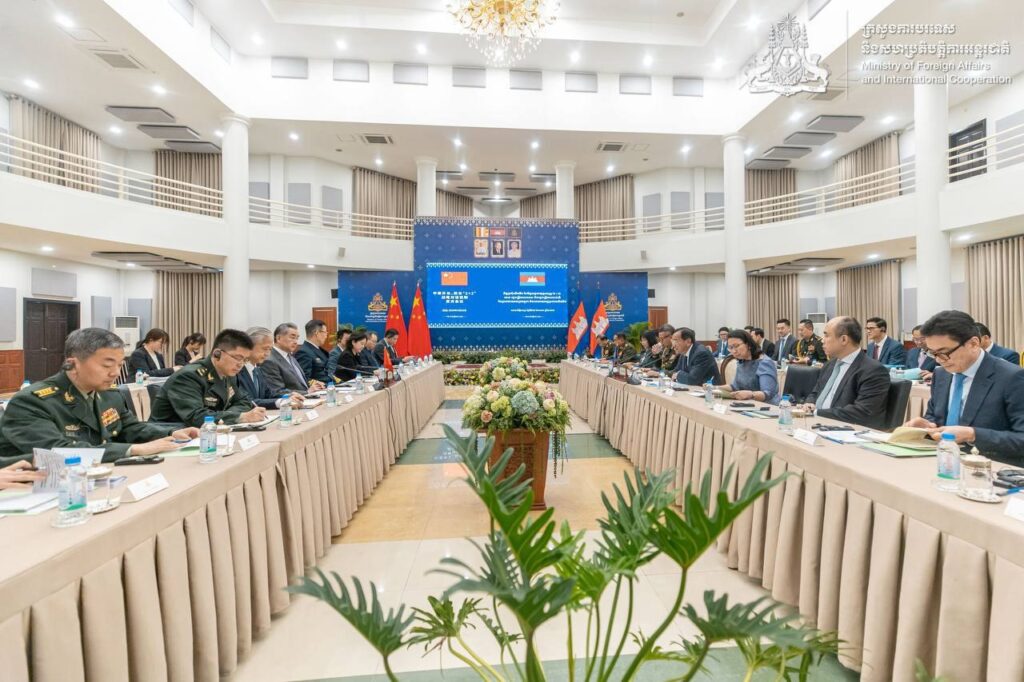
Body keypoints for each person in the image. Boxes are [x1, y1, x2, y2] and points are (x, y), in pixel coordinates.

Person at [0, 328, 197, 464]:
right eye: (107, 365)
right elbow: (58, 452)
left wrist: (170, 433)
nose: (115, 373)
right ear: (73, 364)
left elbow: (131, 428)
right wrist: (133, 450)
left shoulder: (110, 395)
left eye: (119, 365)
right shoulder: (32, 402)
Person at [905, 310, 1024, 461]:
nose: (938, 360)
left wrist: (972, 434)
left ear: (973, 344)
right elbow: (936, 418)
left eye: (944, 353)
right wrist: (927, 425)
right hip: (943, 460)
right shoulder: (941, 374)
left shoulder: (1012, 377)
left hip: (989, 465)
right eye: (933, 353)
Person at [149, 329, 268, 427]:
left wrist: (228, 415)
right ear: (217, 354)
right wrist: (240, 417)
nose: (240, 364)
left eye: (245, 360)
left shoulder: (229, 374)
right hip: (171, 436)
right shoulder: (189, 376)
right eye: (238, 358)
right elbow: (196, 416)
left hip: (206, 432)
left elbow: (244, 401)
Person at [803, 317, 890, 429]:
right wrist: (809, 403)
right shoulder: (829, 365)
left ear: (844, 339)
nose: (822, 340)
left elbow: (862, 412)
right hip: (817, 424)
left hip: (847, 430)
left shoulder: (873, 370)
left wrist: (816, 412)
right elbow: (815, 392)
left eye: (827, 335)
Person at [237, 327, 305, 410]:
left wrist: (287, 396)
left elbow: (268, 394)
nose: (267, 354)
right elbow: (247, 401)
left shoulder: (257, 369)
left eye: (270, 349)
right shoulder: (237, 371)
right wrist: (280, 402)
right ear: (249, 347)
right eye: (265, 349)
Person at [261, 323, 324, 395]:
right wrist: (307, 392)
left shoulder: (290, 356)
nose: (296, 342)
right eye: (292, 337)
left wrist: (314, 384)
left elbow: (300, 383)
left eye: (297, 338)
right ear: (278, 338)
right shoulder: (270, 360)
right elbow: (277, 391)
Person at [721, 329, 779, 404]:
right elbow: (735, 386)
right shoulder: (741, 361)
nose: (734, 351)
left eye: (736, 346)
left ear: (748, 345)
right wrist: (715, 388)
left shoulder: (764, 362)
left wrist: (751, 395)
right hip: (747, 404)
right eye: (731, 347)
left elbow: (768, 394)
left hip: (767, 406)